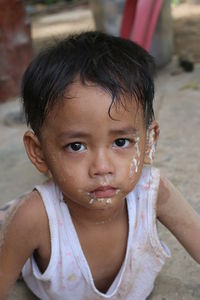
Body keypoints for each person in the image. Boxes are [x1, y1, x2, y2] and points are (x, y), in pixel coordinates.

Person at [0, 31, 200, 300]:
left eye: (120, 142)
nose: (102, 167)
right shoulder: (36, 218)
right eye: (76, 146)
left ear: (149, 142)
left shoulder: (153, 193)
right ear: (39, 152)